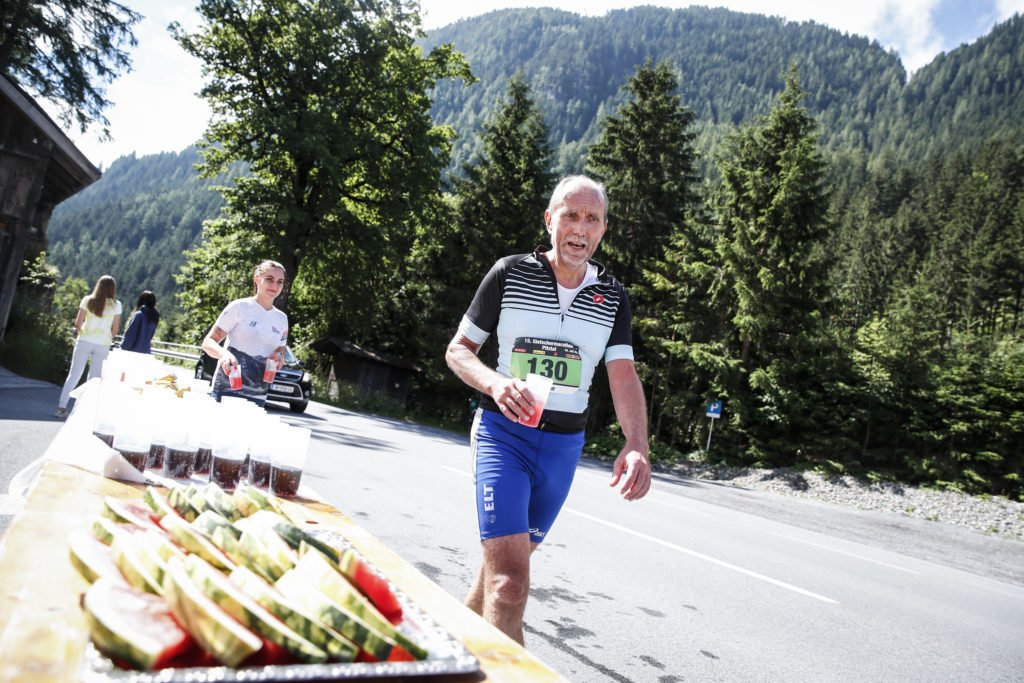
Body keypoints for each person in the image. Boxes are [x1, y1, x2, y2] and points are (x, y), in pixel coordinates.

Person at [445, 175, 652, 644]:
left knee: (498, 576)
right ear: (550, 220)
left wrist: (637, 443)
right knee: (509, 583)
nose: (581, 228)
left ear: (603, 230)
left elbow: (622, 374)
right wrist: (496, 384)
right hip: (504, 434)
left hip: (562, 448)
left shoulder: (613, 296)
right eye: (571, 215)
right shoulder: (509, 273)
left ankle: (443, 654)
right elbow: (458, 350)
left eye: (592, 219)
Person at [201, 260, 288, 407]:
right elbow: (208, 342)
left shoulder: (282, 319)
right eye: (269, 279)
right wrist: (224, 354)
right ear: (257, 278)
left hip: (258, 396)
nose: (275, 285)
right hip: (226, 390)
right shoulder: (240, 307)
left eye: (280, 282)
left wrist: (280, 357)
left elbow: (280, 350)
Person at [56, 275, 122, 417]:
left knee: (74, 375)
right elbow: (115, 329)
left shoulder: (88, 300)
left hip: (84, 341)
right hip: (103, 344)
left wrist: (83, 333)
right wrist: (108, 337)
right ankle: (83, 412)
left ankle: (61, 407)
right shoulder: (117, 305)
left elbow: (78, 323)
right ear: (113, 289)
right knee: (94, 379)